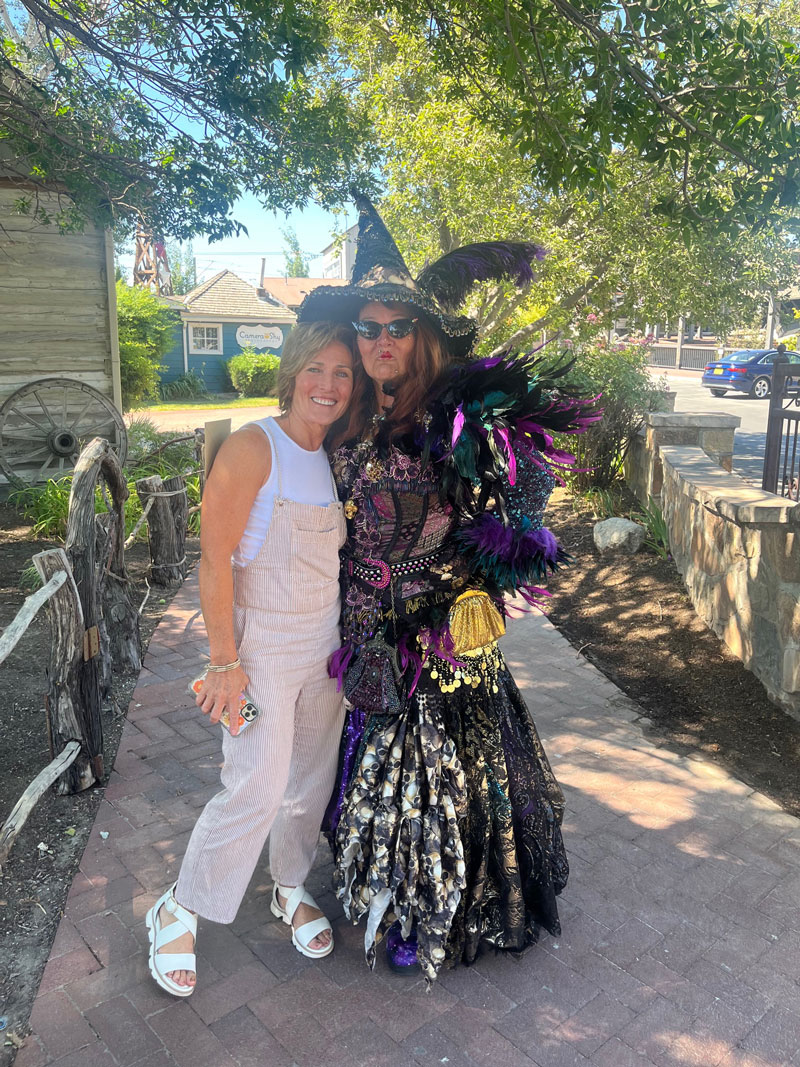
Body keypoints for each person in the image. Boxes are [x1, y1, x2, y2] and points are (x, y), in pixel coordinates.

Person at [297, 196, 599, 982]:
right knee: (365, 769)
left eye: (398, 326)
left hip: (438, 635)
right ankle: (382, 887)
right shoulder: (343, 413)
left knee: (437, 778)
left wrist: (484, 580)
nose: (383, 339)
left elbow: (529, 493)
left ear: (423, 334)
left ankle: (432, 909)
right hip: (358, 627)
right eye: (369, 326)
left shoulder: (456, 413)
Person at [145, 322, 355, 997]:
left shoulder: (333, 456)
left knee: (310, 781)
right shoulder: (253, 447)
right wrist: (223, 661)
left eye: (343, 373)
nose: (328, 385)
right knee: (256, 783)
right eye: (316, 369)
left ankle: (288, 886)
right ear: (292, 373)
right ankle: (179, 907)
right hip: (259, 647)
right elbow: (214, 560)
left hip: (325, 646)